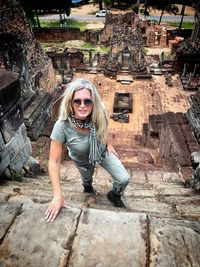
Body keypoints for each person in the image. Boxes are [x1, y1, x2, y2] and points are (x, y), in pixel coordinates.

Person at [45, 78, 130, 223]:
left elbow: (104, 127)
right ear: (70, 102)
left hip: (101, 151)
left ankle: (114, 194)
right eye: (77, 101)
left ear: (93, 103)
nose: (82, 106)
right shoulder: (62, 125)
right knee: (87, 178)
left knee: (124, 178)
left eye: (87, 101)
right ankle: (88, 187)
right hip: (82, 160)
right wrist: (57, 195)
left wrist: (109, 143)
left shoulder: (99, 111)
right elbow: (54, 161)